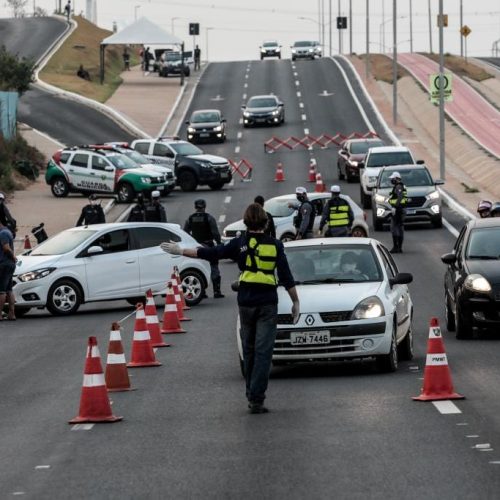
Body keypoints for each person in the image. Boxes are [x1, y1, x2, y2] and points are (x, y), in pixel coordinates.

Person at [161, 203, 300, 414]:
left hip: (245, 302)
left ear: (245, 222)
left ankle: (251, 394)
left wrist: (181, 251)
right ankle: (256, 398)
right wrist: (295, 302)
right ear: (266, 222)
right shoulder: (275, 245)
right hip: (267, 304)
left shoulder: (239, 244)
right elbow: (287, 277)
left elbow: (211, 253)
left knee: (249, 349)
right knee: (264, 352)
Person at [184, 199, 224, 299]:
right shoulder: (209, 218)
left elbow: (185, 232)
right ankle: (217, 291)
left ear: (195, 207)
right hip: (208, 246)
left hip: (196, 248)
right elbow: (215, 233)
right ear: (204, 206)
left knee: (198, 268)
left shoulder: (190, 218)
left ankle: (202, 292)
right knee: (214, 266)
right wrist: (219, 243)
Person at [0, 219, 17, 321]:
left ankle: (0, 315)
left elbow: (6, 248)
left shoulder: (3, 233)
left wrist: (13, 257)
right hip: (9, 265)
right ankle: (11, 314)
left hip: (4, 264)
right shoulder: (7, 232)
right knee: (9, 289)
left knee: (1, 291)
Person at [388, 172, 407, 254]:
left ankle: (397, 247)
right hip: (400, 209)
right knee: (399, 227)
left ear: (396, 178)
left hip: (398, 210)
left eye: (393, 178)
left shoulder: (399, 186)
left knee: (394, 228)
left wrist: (395, 207)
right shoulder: (401, 186)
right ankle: (398, 247)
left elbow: (400, 197)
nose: (391, 180)